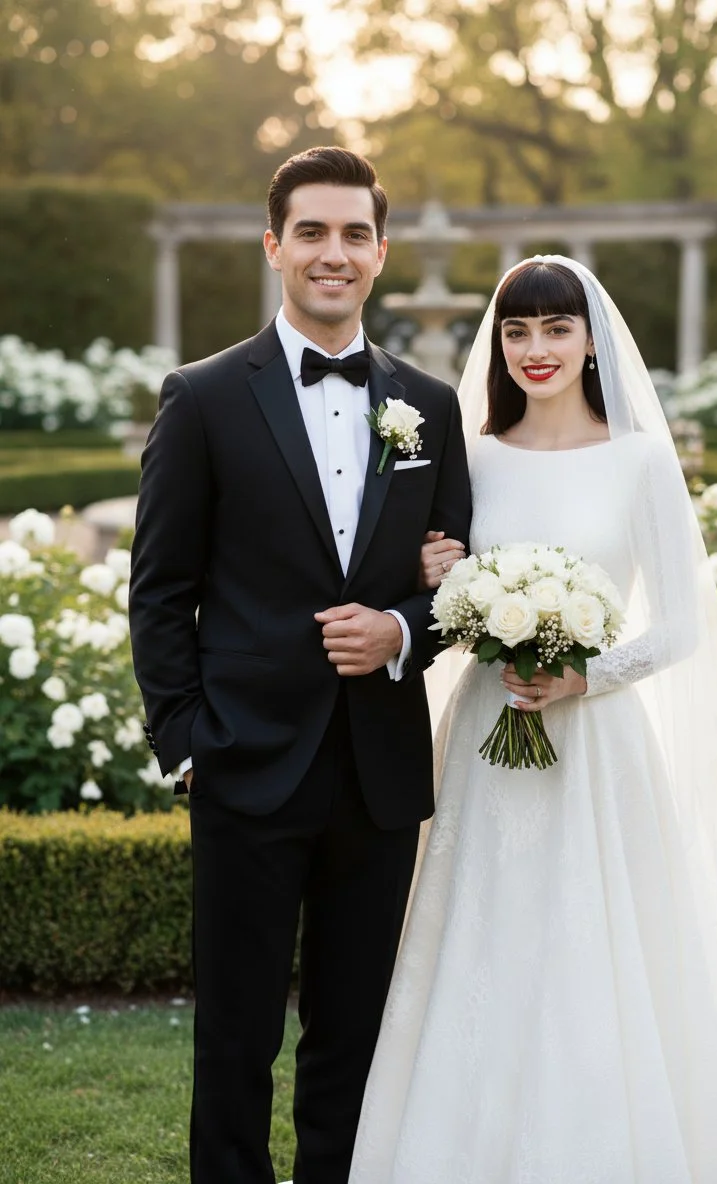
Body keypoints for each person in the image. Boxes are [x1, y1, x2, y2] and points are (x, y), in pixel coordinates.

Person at [347, 256, 717, 1183]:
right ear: (496, 345)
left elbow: (679, 625)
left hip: (596, 743)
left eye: (555, 328)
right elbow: (438, 594)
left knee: (600, 941)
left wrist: (586, 677)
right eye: (516, 331)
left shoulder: (639, 458)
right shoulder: (471, 453)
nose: (535, 349)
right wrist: (445, 580)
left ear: (591, 340)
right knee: (481, 936)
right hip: (486, 733)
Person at [128, 146, 472, 1184]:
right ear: (275, 245)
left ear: (381, 251)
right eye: (312, 231)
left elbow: (461, 582)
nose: (335, 252)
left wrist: (403, 629)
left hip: (377, 771)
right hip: (243, 760)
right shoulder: (201, 397)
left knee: (354, 1033)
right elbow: (159, 587)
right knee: (235, 1036)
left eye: (355, 233)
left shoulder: (433, 406)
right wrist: (186, 742)